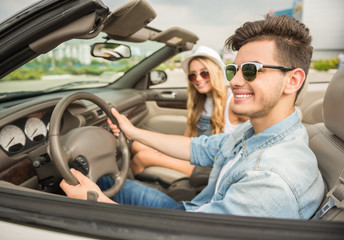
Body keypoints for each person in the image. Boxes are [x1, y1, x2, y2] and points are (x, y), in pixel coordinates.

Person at [60, 14, 325, 219]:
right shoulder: (257, 132)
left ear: (293, 80)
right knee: (104, 181)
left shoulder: (272, 179)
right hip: (193, 210)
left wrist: (97, 203)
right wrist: (133, 132)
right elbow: (201, 146)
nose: (234, 82)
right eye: (234, 70)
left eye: (252, 70)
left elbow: (186, 233)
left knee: (88, 190)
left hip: (186, 222)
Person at [131, 45, 248, 176]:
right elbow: (187, 137)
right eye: (192, 75)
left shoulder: (232, 102)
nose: (198, 79)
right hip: (196, 154)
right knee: (137, 145)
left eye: (204, 73)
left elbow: (256, 133)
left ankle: (129, 194)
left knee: (142, 157)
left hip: (212, 166)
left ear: (216, 72)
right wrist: (165, 151)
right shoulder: (201, 101)